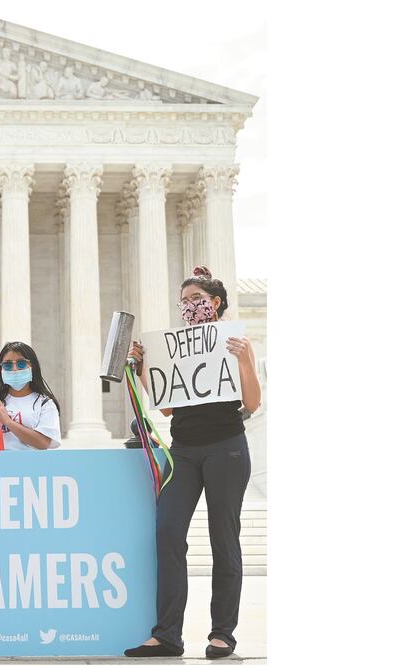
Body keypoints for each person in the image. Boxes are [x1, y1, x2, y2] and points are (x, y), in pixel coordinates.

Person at [124, 266, 261, 660]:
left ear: (214, 303)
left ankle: (222, 634)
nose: (188, 306)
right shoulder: (176, 345)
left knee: (224, 539)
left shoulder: (237, 342)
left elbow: (252, 403)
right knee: (167, 533)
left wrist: (245, 361)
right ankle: (167, 634)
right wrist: (144, 368)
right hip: (183, 449)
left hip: (227, 448)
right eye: (183, 301)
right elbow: (167, 407)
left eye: (194, 299)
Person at [0, 341, 61, 450]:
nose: (14, 369)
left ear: (32, 366)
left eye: (21, 364)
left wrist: (8, 422)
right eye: (7, 365)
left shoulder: (45, 403)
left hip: (30, 466)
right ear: (1, 369)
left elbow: (43, 443)